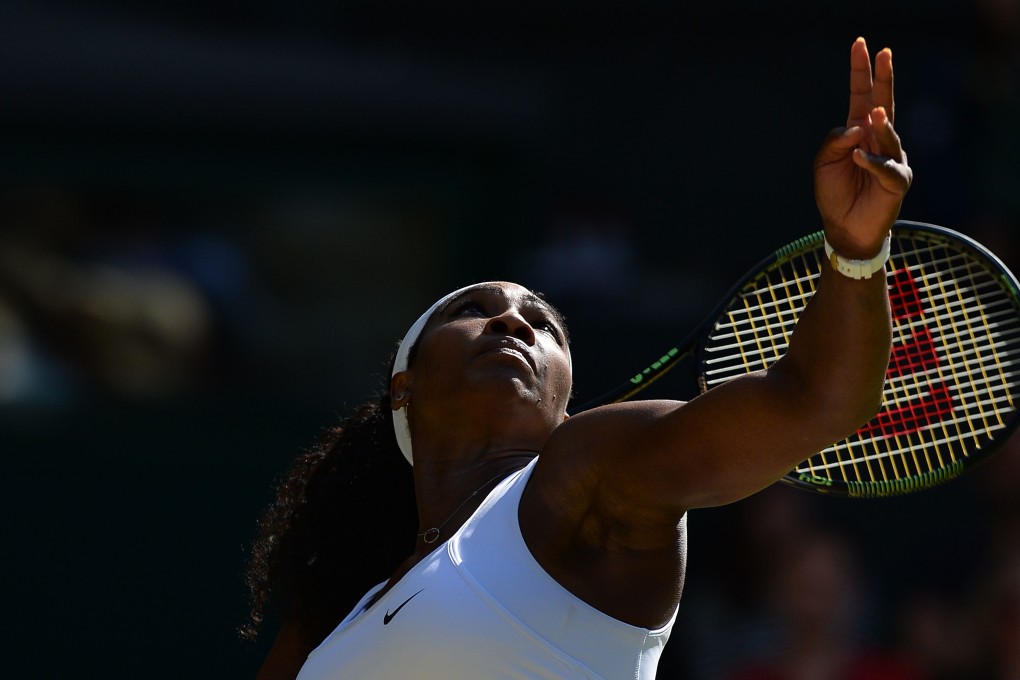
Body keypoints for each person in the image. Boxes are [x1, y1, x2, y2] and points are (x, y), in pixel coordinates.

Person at [241, 36, 911, 679]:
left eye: (544, 324)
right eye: (471, 310)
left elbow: (817, 401)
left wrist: (856, 251)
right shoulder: (340, 614)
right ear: (403, 389)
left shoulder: (589, 475)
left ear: (566, 403)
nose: (512, 319)